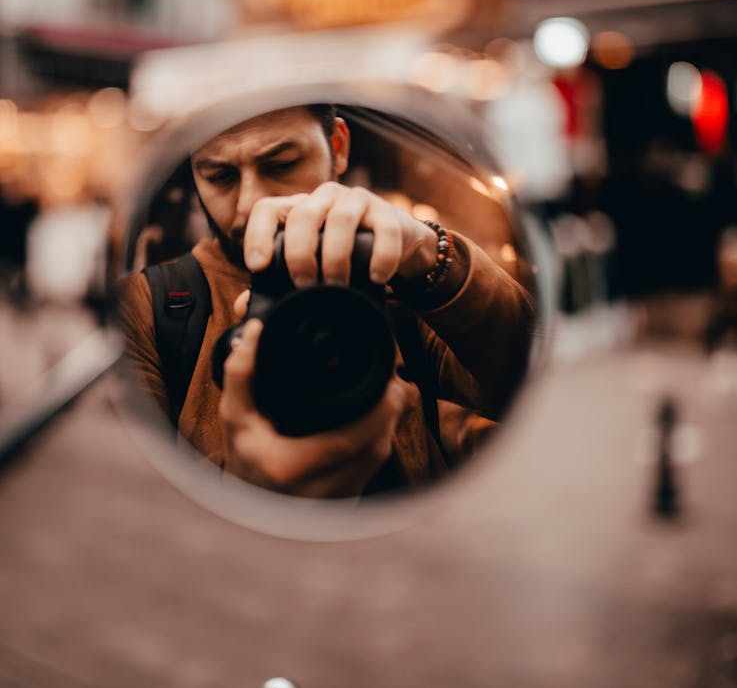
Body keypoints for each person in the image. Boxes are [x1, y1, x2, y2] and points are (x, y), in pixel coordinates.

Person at [119, 104, 535, 498]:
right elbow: (136, 503)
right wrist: (245, 487)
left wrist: (427, 253)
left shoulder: (396, 278)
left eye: (282, 165)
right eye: (219, 176)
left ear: (338, 147)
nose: (250, 205)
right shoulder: (149, 304)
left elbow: (521, 378)